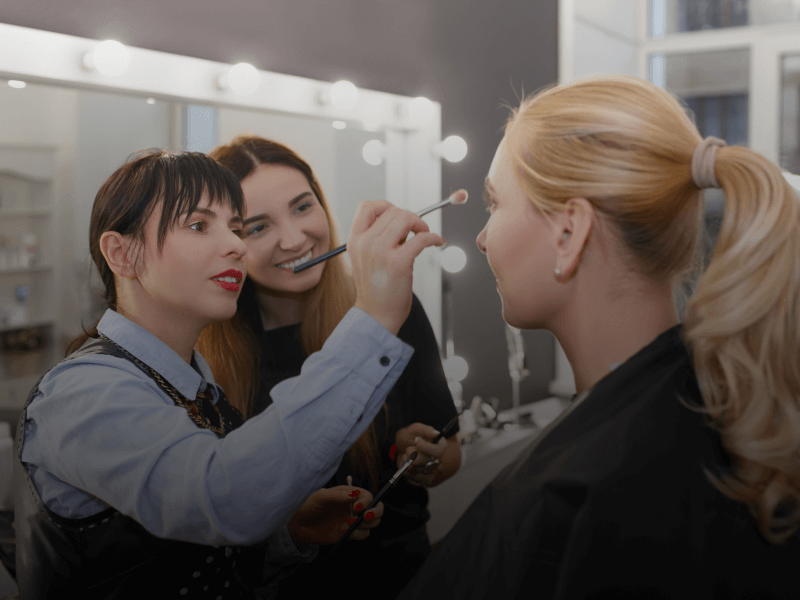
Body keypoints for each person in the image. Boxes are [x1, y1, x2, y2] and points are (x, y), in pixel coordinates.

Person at [399, 75, 800, 599]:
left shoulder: (584, 495)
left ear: (569, 233)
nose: (481, 237)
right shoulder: (722, 405)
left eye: (495, 204)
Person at [13, 149, 445, 599]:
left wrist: (286, 530)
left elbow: (194, 559)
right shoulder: (83, 392)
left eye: (237, 229)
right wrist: (373, 319)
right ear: (122, 254)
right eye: (199, 225)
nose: (237, 246)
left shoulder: (196, 388)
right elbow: (223, 498)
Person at [197, 135, 461, 598]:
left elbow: (450, 448)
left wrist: (426, 461)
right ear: (229, 242)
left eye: (303, 207)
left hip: (402, 578)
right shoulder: (205, 348)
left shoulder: (394, 308)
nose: (295, 238)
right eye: (257, 227)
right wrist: (289, 526)